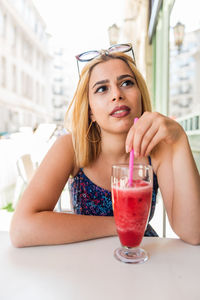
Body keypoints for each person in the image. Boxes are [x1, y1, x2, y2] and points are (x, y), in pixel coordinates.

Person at [10, 43, 200, 247]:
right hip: (89, 264)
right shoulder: (71, 147)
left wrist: (180, 140)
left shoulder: (158, 149)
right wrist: (120, 224)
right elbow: (22, 229)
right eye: (102, 88)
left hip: (142, 254)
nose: (117, 94)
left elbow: (193, 232)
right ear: (90, 110)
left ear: (140, 95)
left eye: (126, 83)